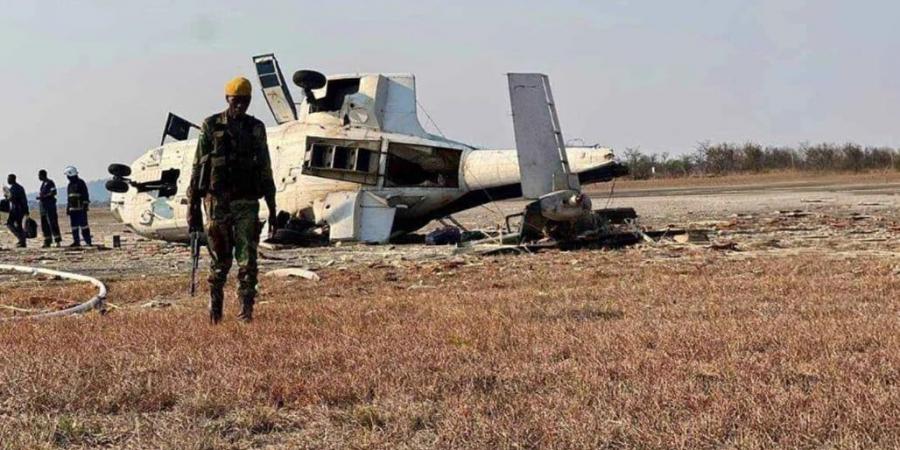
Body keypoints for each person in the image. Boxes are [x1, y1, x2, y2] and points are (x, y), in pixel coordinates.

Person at [187, 76, 277, 324]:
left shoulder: (255, 128)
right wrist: (193, 206)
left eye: (245, 102)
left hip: (247, 202)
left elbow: (265, 168)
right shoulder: (211, 125)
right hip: (217, 203)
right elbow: (198, 168)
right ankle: (215, 314)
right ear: (227, 99)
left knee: (248, 260)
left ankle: (245, 315)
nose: (240, 106)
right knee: (220, 262)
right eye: (236, 101)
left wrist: (272, 206)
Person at [64, 166, 92, 247]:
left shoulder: (81, 183)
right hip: (73, 210)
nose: (67, 177)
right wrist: (68, 208)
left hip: (81, 209)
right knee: (74, 227)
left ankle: (88, 241)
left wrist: (85, 206)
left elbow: (85, 195)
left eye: (68, 176)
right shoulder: (70, 185)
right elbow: (69, 198)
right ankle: (76, 241)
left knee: (84, 226)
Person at [36, 169, 62, 247]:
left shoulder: (50, 183)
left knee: (52, 223)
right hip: (43, 208)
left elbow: (54, 192)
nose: (38, 177)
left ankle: (57, 241)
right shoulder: (43, 184)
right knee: (44, 225)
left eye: (39, 175)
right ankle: (47, 241)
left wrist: (44, 197)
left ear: (43, 175)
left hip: (50, 207)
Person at [5, 174, 28, 248]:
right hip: (18, 209)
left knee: (10, 224)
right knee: (18, 226)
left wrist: (7, 197)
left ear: (12, 179)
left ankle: (21, 239)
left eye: (9, 179)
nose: (8, 180)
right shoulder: (19, 187)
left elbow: (13, 198)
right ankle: (22, 241)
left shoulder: (15, 188)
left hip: (17, 209)